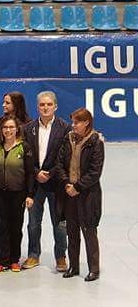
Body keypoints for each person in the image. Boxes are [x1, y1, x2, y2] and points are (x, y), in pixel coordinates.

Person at [22, 91, 71, 271]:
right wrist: (36, 173)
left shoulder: (65, 128)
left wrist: (50, 173)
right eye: (42, 104)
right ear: (37, 107)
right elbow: (25, 156)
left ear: (55, 106)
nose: (45, 107)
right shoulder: (28, 129)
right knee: (33, 222)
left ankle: (60, 257)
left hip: (55, 183)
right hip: (35, 184)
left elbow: (65, 156)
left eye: (49, 104)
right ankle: (33, 255)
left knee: (59, 223)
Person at [54, 108, 104, 282]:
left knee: (89, 231)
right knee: (71, 231)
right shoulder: (68, 140)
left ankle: (94, 269)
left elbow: (95, 171)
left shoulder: (96, 142)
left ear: (86, 123)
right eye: (73, 122)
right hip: (69, 194)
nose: (73, 126)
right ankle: (74, 266)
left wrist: (78, 187)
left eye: (76, 122)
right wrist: (67, 183)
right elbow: (59, 164)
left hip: (88, 195)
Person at [0, 117, 35, 274]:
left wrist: (30, 195)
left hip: (18, 194)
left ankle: (14, 260)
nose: (8, 130)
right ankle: (2, 261)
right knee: (1, 227)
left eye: (11, 127)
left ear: (17, 129)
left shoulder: (24, 147)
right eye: (5, 127)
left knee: (16, 227)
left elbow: (30, 173)